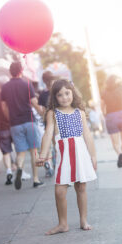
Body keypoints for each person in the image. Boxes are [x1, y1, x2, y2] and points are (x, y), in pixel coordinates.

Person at [36, 79, 97, 235]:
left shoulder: (80, 112)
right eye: (60, 95)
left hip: (80, 153)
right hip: (64, 155)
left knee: (81, 187)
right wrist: (42, 155)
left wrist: (93, 155)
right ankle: (63, 224)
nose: (64, 97)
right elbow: (48, 133)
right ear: (55, 98)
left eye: (67, 93)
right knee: (60, 191)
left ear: (73, 93)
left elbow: (87, 135)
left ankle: (83, 220)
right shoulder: (53, 113)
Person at [1, 61, 44, 190]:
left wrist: (10, 118)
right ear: (21, 71)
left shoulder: (5, 87)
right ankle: (36, 180)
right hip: (28, 120)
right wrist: (42, 112)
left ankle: (19, 168)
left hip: (15, 124)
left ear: (10, 72)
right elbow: (34, 102)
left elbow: (4, 106)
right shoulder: (26, 84)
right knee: (34, 151)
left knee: (21, 151)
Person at [101, 75, 122, 167]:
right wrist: (120, 81)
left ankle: (119, 154)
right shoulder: (121, 88)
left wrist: (105, 115)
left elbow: (102, 106)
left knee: (115, 142)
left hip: (111, 116)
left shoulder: (104, 92)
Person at [38, 71, 56, 176]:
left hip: (48, 122)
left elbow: (43, 111)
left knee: (48, 144)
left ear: (44, 81)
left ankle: (49, 163)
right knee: (56, 143)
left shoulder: (42, 95)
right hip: (58, 122)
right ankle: (55, 159)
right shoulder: (57, 92)